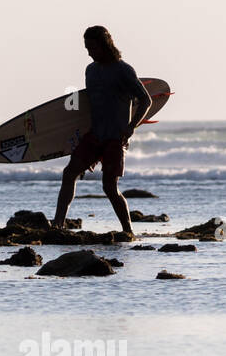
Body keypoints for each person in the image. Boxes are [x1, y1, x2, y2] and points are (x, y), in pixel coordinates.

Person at [52, 26, 152, 236]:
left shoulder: (123, 70)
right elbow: (90, 104)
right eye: (86, 47)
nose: (89, 52)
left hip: (115, 138)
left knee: (109, 187)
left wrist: (132, 126)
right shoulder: (91, 70)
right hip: (95, 135)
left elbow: (145, 99)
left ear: (105, 45)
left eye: (92, 47)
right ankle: (57, 225)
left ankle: (128, 230)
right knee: (69, 173)